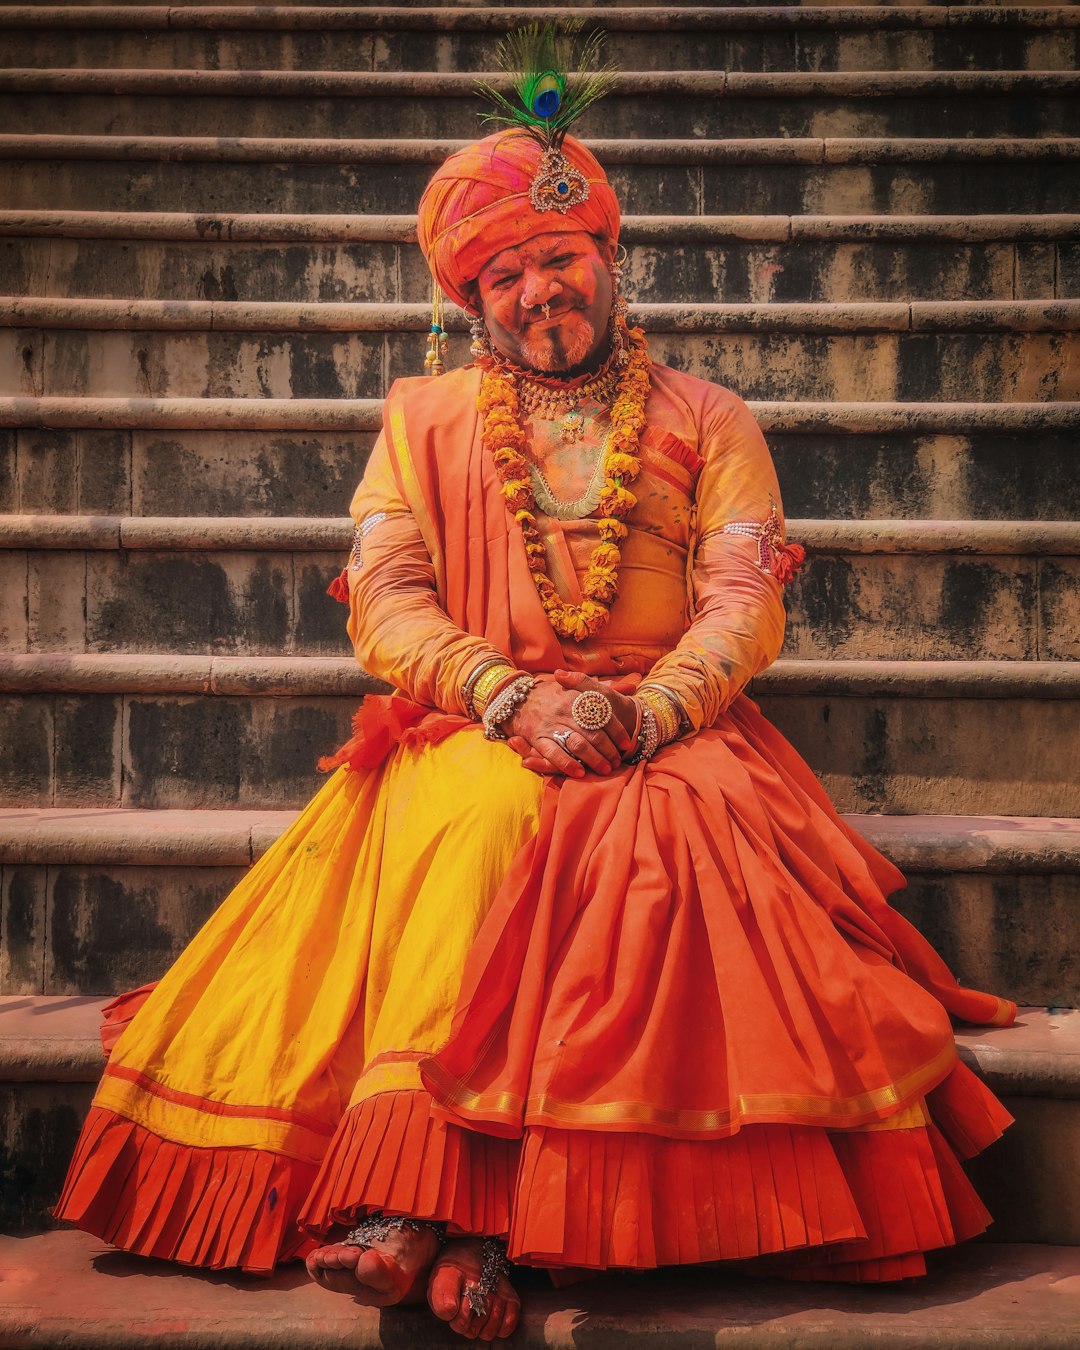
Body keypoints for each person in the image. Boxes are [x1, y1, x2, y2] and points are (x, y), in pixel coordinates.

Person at [56, 101, 1015, 1344]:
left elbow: (742, 609)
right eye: (503, 274)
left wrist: (650, 706)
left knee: (646, 855)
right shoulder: (423, 422)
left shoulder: (711, 418)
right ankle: (425, 1213)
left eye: (557, 258)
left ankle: (469, 1227)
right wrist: (511, 697)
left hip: (670, 728)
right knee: (484, 819)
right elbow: (388, 607)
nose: (536, 289)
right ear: (473, 304)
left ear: (611, 258)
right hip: (476, 720)